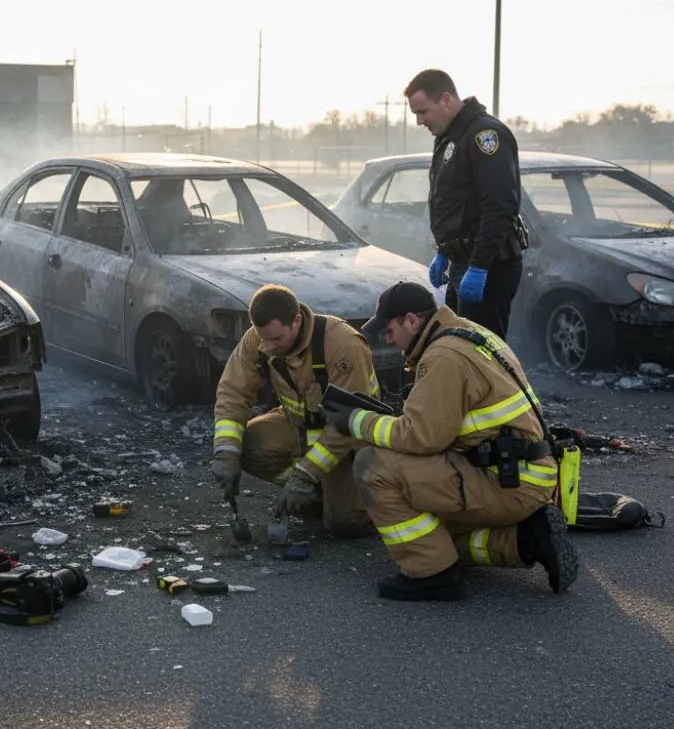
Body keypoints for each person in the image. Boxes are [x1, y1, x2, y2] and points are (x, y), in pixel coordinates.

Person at [322, 280, 578, 601]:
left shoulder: (442, 356)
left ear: (412, 321)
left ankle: (432, 573)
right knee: (436, 534)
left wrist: (356, 421)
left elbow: (421, 437)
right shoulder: (469, 333)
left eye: (390, 330)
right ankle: (527, 539)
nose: (388, 339)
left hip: (507, 481)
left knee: (374, 466)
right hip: (522, 473)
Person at [209, 284, 380, 538]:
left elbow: (350, 423)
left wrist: (304, 475)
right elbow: (233, 393)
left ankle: (368, 498)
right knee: (247, 446)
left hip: (346, 439)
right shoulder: (260, 339)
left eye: (276, 339)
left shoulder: (342, 345)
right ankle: (314, 496)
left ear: (297, 321)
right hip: (297, 425)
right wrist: (225, 453)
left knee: (344, 525)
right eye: (263, 337)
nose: (268, 346)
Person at [404, 68, 527, 340]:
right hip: (464, 262)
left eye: (423, 112)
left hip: (489, 266)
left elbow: (501, 206)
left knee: (484, 357)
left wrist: (480, 266)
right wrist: (445, 251)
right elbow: (455, 200)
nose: (419, 121)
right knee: (459, 350)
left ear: (446, 100)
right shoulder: (450, 136)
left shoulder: (484, 135)